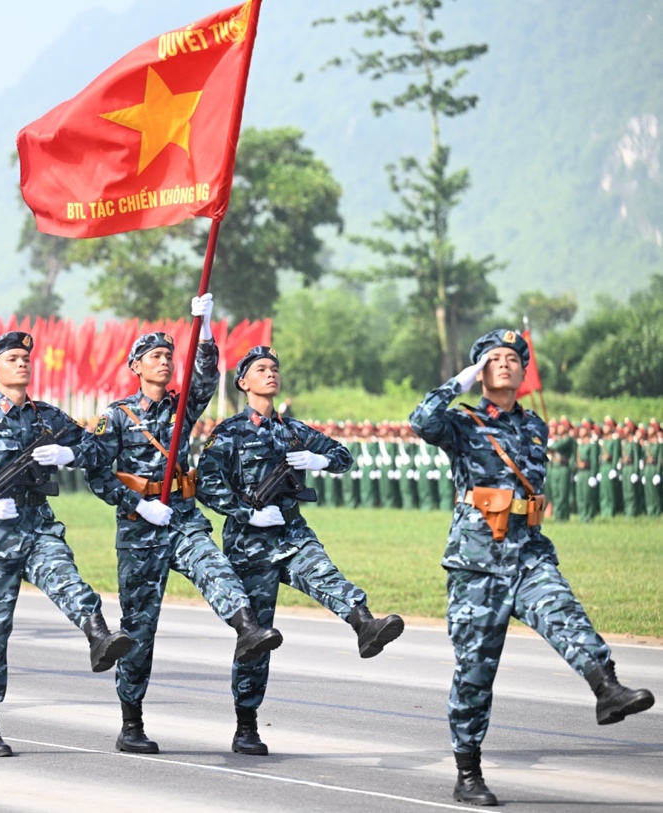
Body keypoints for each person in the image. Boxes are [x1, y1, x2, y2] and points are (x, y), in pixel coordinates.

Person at [410, 329, 654, 806]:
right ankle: (468, 771)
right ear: (480, 371)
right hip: (477, 564)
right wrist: (456, 384)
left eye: (512, 359)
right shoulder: (462, 425)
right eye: (493, 359)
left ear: (523, 372)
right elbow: (421, 421)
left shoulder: (534, 426)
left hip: (528, 552)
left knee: (566, 615)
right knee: (475, 672)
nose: (504, 364)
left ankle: (607, 688)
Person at [83, 296, 282, 755]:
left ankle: (247, 628)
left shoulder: (180, 408)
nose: (165, 362)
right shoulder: (115, 415)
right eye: (155, 356)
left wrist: (206, 327)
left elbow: (207, 376)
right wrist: (136, 502)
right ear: (135, 365)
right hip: (139, 529)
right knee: (139, 627)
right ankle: (130, 722)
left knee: (216, 568)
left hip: (182, 517)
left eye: (169, 356)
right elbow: (97, 474)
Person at [0, 331, 133, 758]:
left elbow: (96, 451)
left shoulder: (49, 418)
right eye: (13, 358)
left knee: (67, 578)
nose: (22, 363)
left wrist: (68, 455)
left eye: (25, 357)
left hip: (37, 523)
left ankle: (99, 636)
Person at [197, 346, 404, 755]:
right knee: (258, 637)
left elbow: (342, 456)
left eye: (274, 368)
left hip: (291, 532)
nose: (270, 374)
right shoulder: (229, 432)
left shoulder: (293, 430)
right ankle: (246, 726)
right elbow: (207, 483)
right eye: (261, 369)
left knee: (324, 571)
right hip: (249, 543)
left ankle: (365, 625)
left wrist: (318, 460)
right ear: (243, 382)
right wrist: (246, 513)